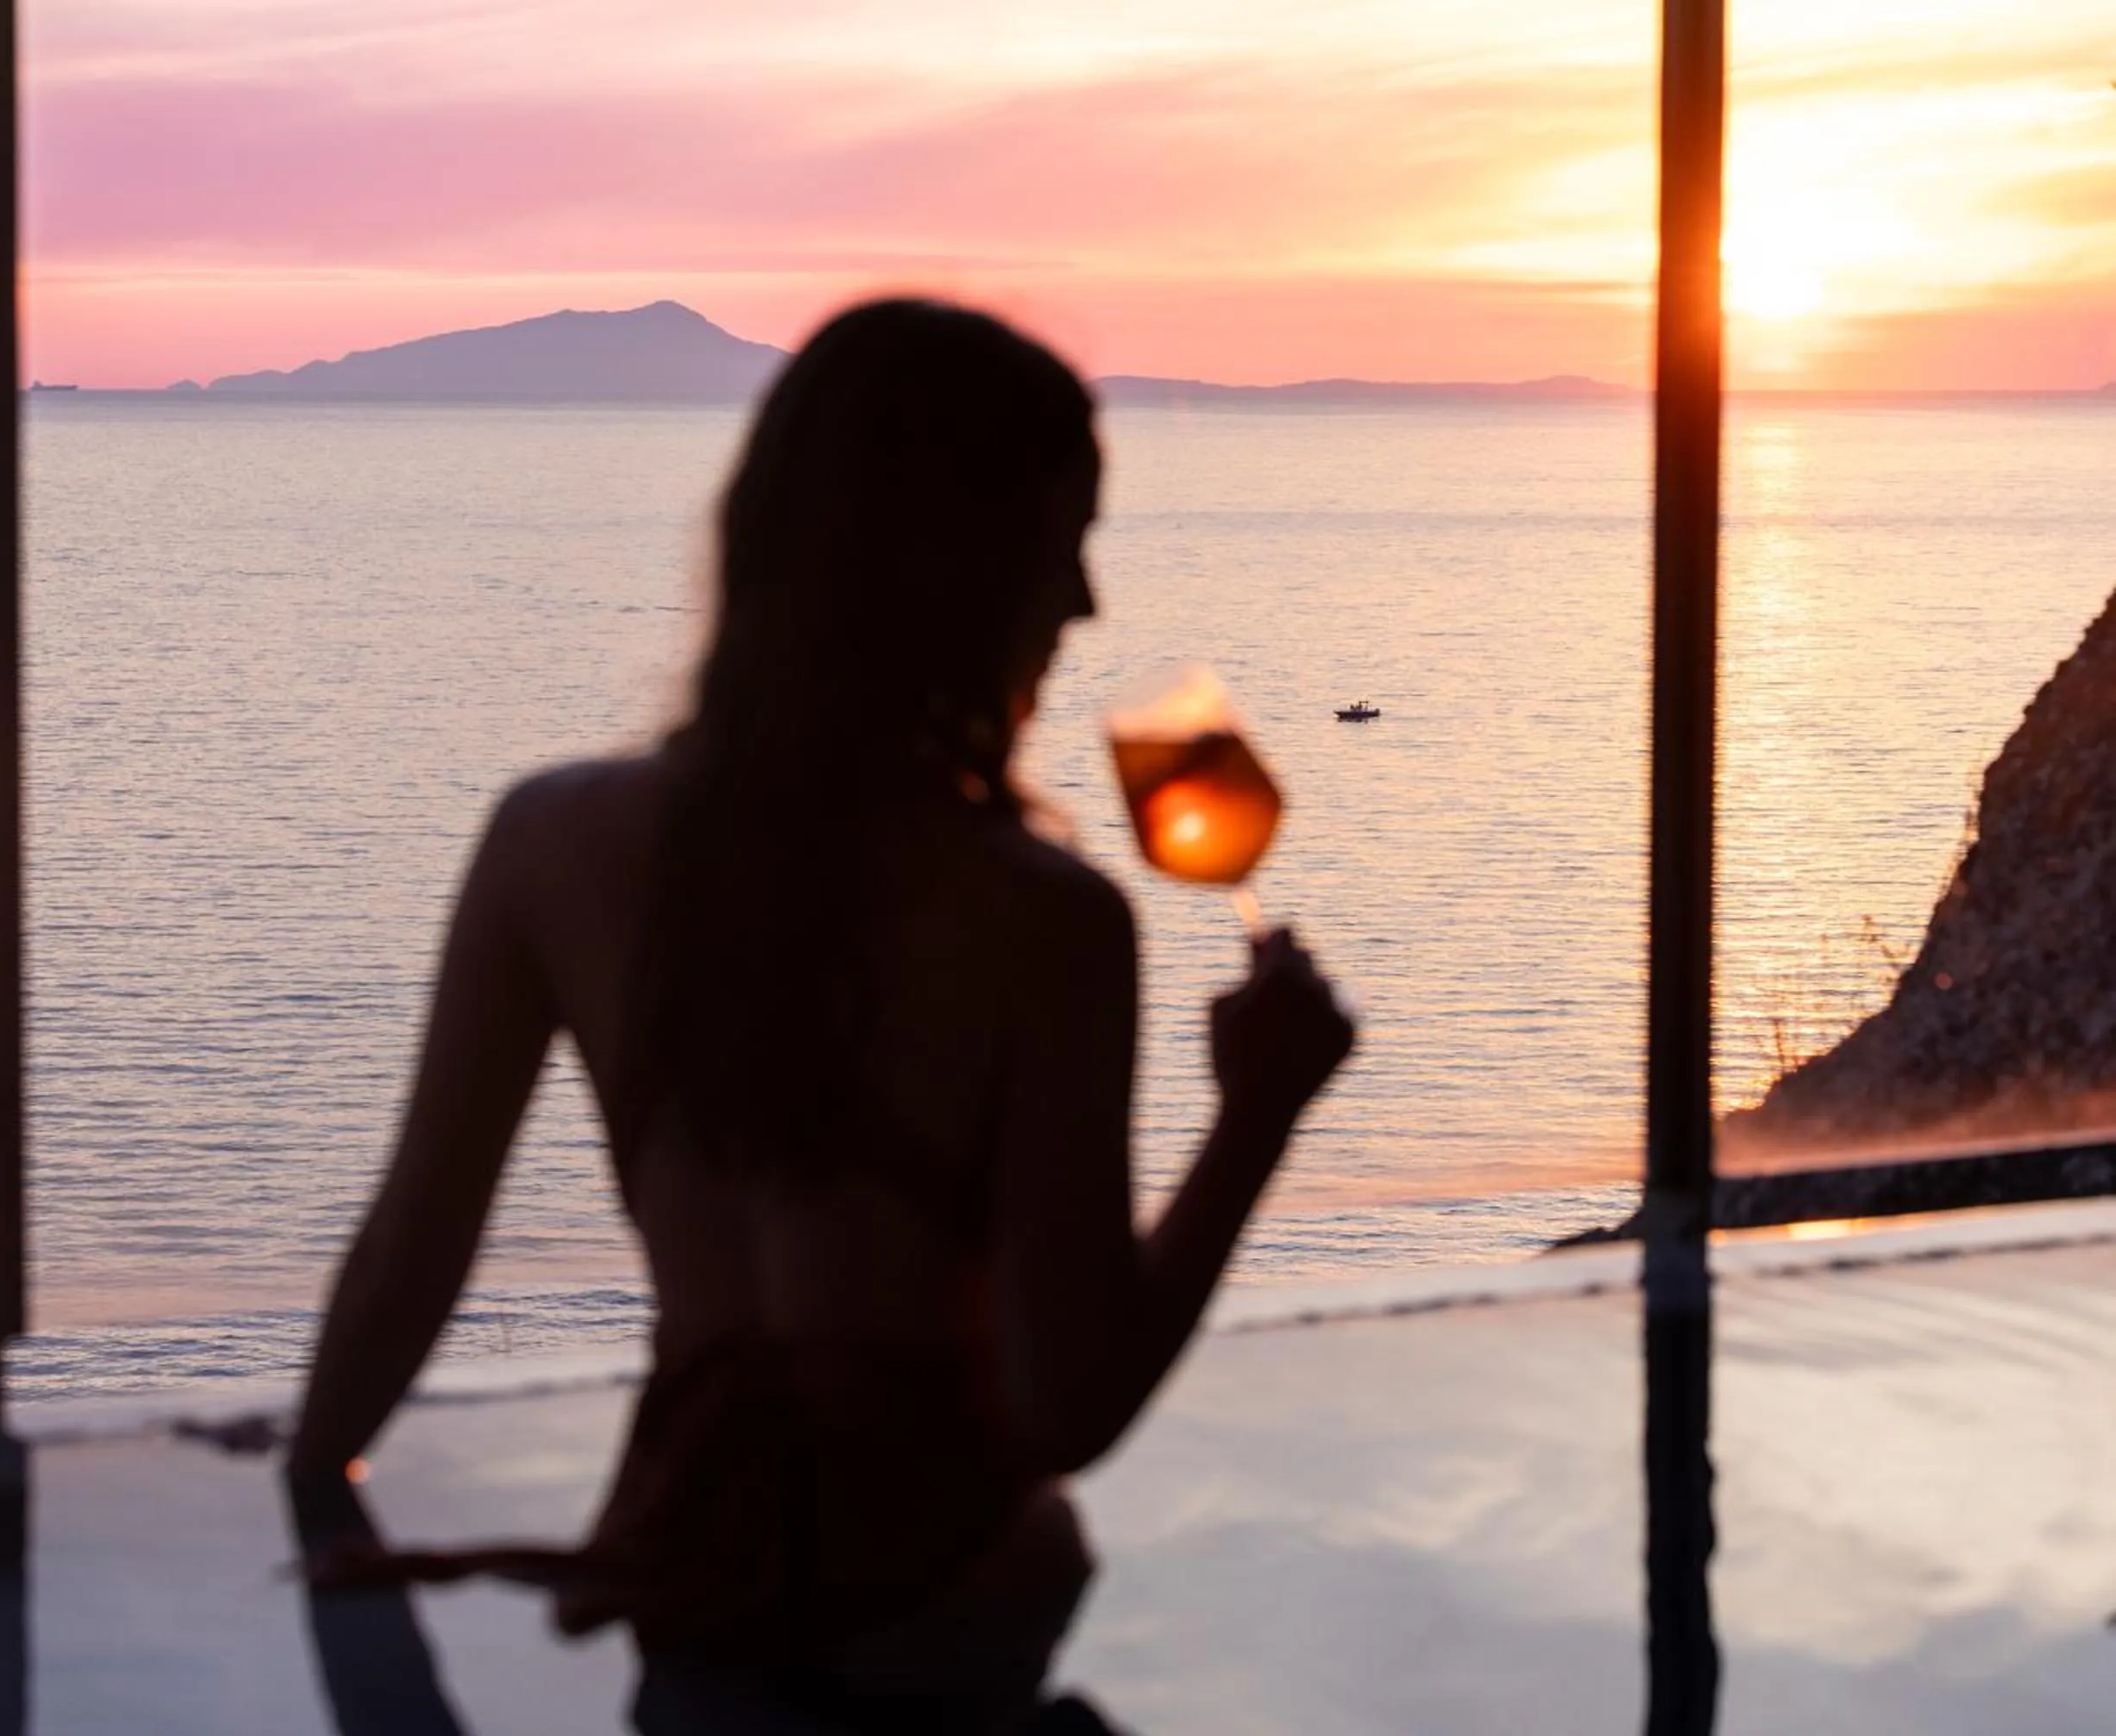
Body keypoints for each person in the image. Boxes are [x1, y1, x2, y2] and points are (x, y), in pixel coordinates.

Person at [286, 298, 1356, 1731]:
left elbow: (408, 1260)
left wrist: (306, 1482)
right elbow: (1066, 1410)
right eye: (1062, 542)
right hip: (953, 1634)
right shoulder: (1044, 917)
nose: (1085, 602)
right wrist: (1256, 1121)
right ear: (952, 571)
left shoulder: (548, 842)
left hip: (704, 1624)